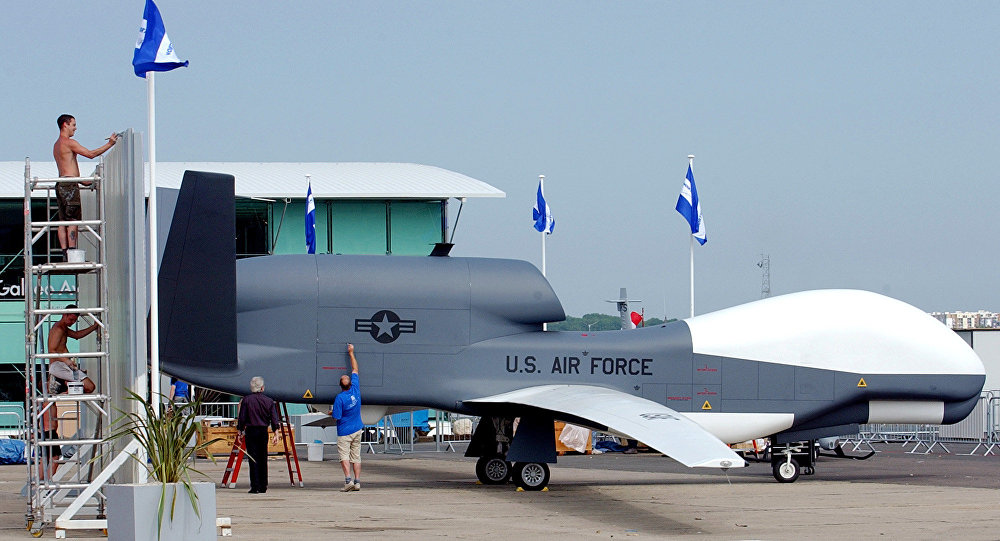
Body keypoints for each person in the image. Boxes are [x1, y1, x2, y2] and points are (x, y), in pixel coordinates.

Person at [52, 114, 117, 255]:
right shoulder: (69, 142)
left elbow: (66, 169)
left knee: (63, 221)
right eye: (73, 125)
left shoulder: (57, 145)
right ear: (65, 125)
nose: (75, 128)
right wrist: (110, 144)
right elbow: (90, 154)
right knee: (73, 220)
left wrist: (82, 180)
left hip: (62, 184)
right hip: (69, 186)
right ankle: (72, 253)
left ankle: (65, 253)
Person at [236, 376, 280, 494]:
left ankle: (254, 486)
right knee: (263, 458)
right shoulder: (269, 401)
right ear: (262, 388)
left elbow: (242, 417)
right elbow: (274, 418)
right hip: (263, 431)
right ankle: (263, 485)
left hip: (251, 431)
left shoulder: (246, 400)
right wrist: (276, 432)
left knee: (252, 458)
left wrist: (239, 431)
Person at [332, 343, 363, 492]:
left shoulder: (340, 398)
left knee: (344, 456)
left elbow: (337, 416)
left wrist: (330, 412)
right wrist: (351, 353)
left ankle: (347, 480)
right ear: (350, 384)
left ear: (340, 386)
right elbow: (355, 369)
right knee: (356, 457)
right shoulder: (356, 389)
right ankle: (357, 482)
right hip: (357, 428)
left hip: (344, 431)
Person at [47, 305, 97, 395]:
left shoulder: (63, 328)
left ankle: (64, 385)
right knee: (90, 387)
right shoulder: (58, 329)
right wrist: (66, 360)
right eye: (71, 319)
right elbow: (51, 350)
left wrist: (94, 326)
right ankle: (62, 384)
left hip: (64, 365)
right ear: (64, 315)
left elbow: (77, 335)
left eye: (74, 320)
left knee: (89, 387)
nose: (72, 322)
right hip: (59, 365)